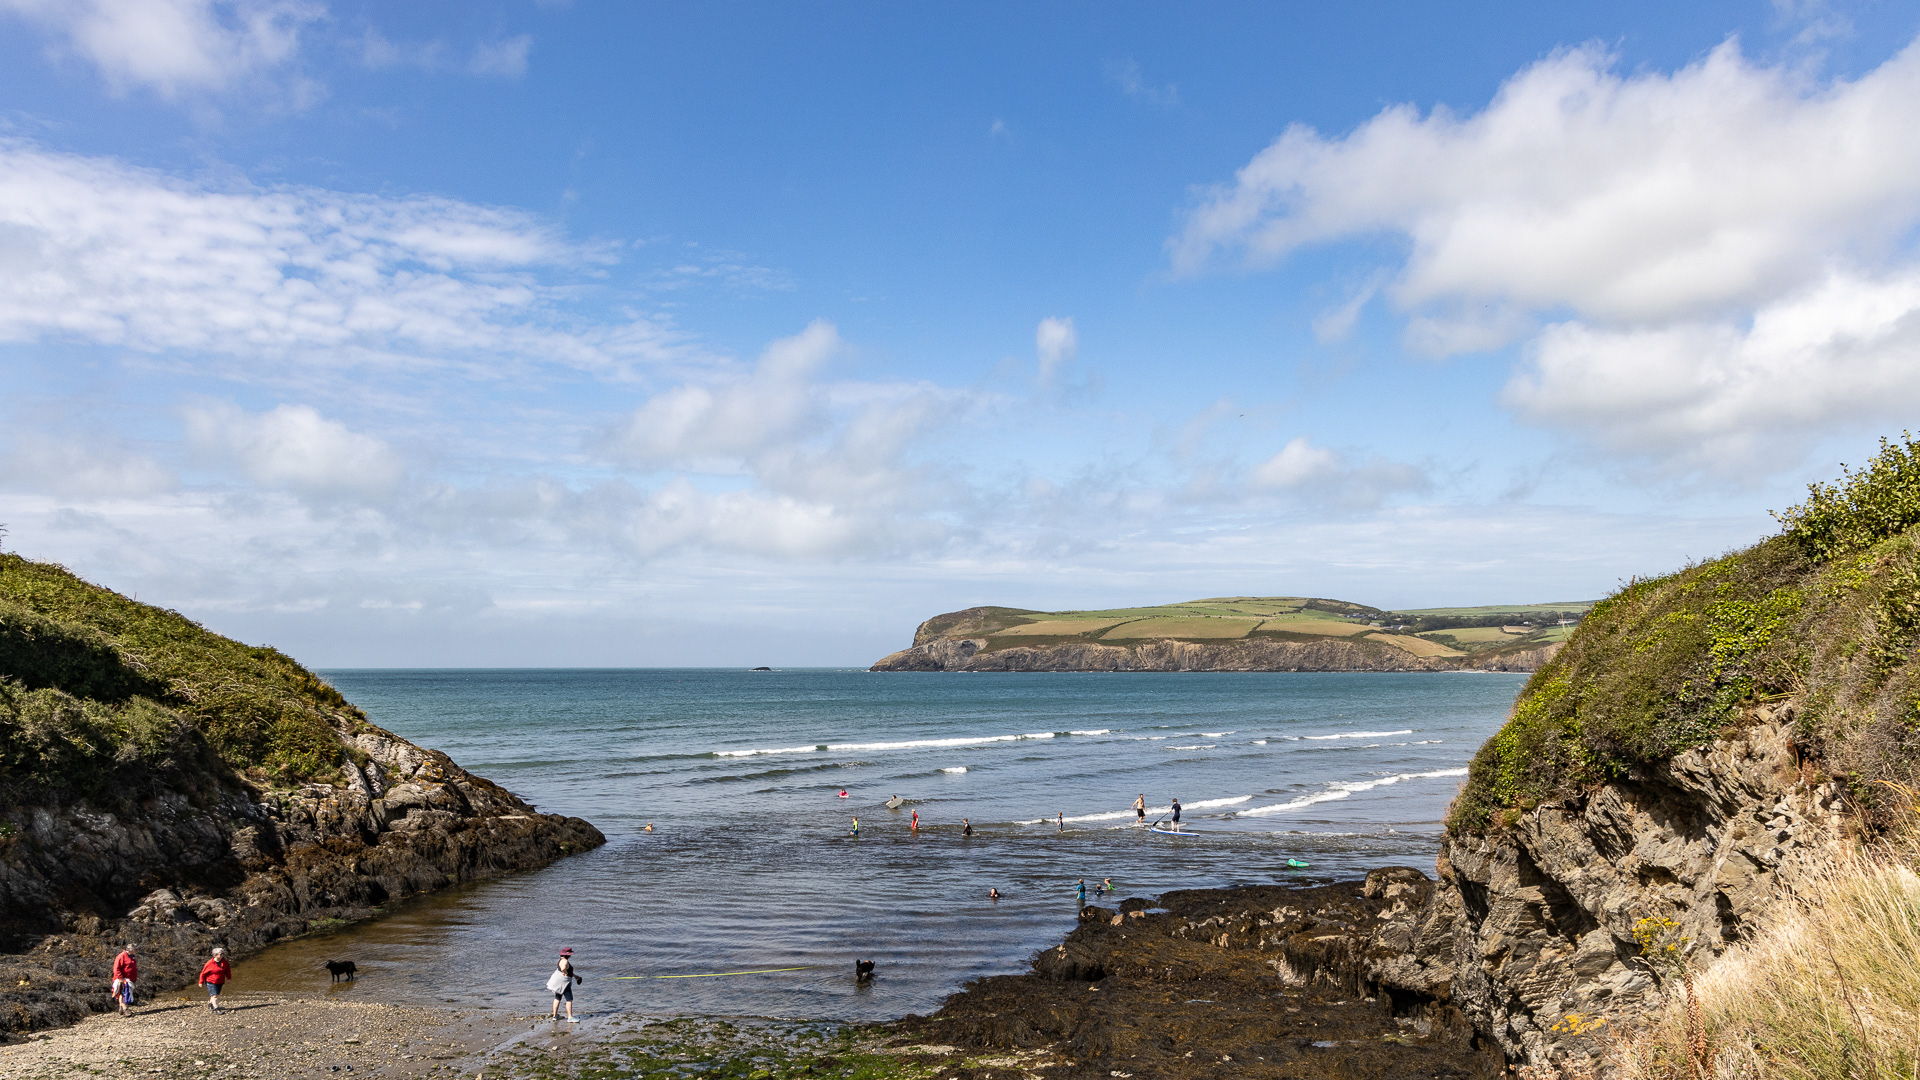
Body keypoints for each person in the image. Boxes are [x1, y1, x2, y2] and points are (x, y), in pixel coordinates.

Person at [547, 947, 582, 1022]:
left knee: (557, 997)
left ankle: (555, 1016)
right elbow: (563, 968)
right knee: (569, 999)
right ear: (568, 955)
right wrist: (564, 972)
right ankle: (570, 1017)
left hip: (558, 983)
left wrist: (576, 976)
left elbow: (567, 971)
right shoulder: (565, 961)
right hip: (565, 983)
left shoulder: (560, 960)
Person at [198, 946, 231, 1014]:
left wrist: (229, 978)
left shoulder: (224, 961)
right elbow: (203, 973)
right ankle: (216, 1008)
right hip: (211, 982)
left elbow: (228, 970)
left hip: (220, 981)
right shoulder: (209, 963)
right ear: (215, 955)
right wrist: (200, 982)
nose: (222, 955)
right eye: (220, 954)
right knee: (214, 995)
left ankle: (210, 1005)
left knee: (215, 994)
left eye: (222, 954)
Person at [110, 943, 137, 1015]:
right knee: (124, 993)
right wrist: (120, 977)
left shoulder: (131, 956)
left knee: (123, 993)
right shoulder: (121, 956)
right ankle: (125, 1009)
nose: (135, 950)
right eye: (134, 949)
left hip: (129, 978)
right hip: (122, 979)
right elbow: (116, 968)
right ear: (130, 949)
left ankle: (121, 1008)